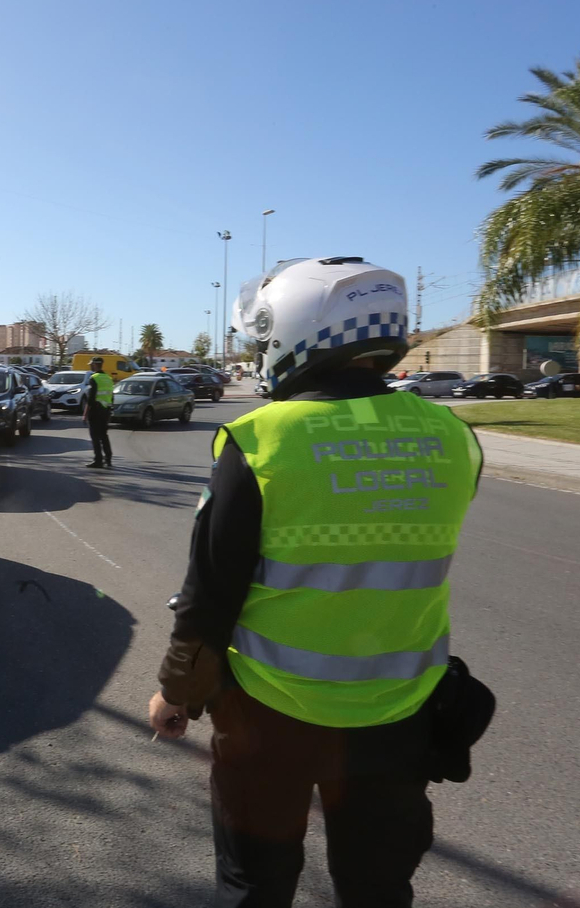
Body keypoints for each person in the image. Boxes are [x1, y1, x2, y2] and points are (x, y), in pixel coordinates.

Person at [147, 256, 484, 908]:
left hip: (271, 720)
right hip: (400, 715)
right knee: (378, 890)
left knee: (255, 887)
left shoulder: (262, 440)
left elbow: (210, 596)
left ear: (296, 329)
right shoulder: (452, 437)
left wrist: (176, 695)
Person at [81, 355, 113, 469]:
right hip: (106, 410)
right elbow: (111, 396)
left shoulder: (94, 378)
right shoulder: (109, 378)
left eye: (91, 364)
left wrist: (85, 415)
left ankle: (98, 460)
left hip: (95, 410)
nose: (90, 366)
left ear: (95, 365)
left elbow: (91, 399)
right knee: (104, 435)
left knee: (95, 436)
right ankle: (108, 458)